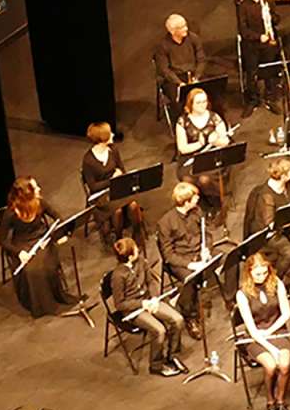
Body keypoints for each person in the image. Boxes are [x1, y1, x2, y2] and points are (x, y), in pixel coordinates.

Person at [0, 178, 83, 318]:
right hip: (22, 244)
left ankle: (55, 297)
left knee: (47, 265)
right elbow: (2, 241)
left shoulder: (40, 202)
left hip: (43, 239)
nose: (39, 189)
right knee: (32, 270)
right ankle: (41, 305)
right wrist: (19, 253)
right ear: (26, 195)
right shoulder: (11, 213)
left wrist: (58, 235)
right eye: (35, 188)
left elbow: (58, 219)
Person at [107, 238, 185, 377]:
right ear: (130, 257)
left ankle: (173, 355)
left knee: (178, 319)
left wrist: (154, 298)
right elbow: (119, 304)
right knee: (159, 330)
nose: (138, 249)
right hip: (133, 309)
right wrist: (142, 304)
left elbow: (151, 281)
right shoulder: (118, 276)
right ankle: (156, 364)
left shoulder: (141, 261)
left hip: (150, 300)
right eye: (135, 248)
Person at [236, 252, 290, 410]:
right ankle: (270, 400)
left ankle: (280, 400)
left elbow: (286, 313)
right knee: (270, 365)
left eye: (264, 273)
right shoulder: (242, 294)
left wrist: (270, 332)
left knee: (284, 365)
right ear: (249, 272)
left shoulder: (277, 283)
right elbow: (252, 329)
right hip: (256, 337)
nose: (262, 277)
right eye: (257, 274)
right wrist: (271, 348)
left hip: (277, 330)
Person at [156, 181, 213, 339]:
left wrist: (207, 249)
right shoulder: (165, 223)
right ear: (186, 202)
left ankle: (231, 299)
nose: (198, 199)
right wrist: (190, 264)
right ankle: (190, 316)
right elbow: (168, 256)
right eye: (195, 197)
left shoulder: (197, 211)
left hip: (199, 253)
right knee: (191, 279)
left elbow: (207, 235)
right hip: (181, 260)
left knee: (228, 258)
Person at [81, 121, 145, 246]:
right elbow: (93, 187)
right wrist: (111, 181)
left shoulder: (113, 150)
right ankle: (119, 238)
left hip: (118, 186)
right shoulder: (88, 160)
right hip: (102, 194)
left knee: (133, 205)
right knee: (117, 210)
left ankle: (137, 233)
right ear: (102, 138)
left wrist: (119, 178)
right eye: (109, 133)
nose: (113, 134)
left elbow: (122, 170)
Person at [243, 158, 290, 283]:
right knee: (289, 253)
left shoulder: (288, 187)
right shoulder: (267, 196)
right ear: (284, 176)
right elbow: (270, 224)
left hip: (284, 227)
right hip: (268, 233)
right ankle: (274, 279)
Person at [174, 87, 232, 216]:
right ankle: (202, 205)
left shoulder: (214, 117)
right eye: (198, 102)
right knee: (187, 179)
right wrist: (199, 144)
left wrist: (216, 141)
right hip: (190, 157)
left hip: (211, 157)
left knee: (204, 179)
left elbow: (225, 141)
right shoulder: (182, 121)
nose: (203, 105)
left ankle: (215, 204)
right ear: (191, 104)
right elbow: (182, 148)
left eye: (204, 101)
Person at [235, 0, 283, 113]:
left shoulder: (268, 1)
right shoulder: (243, 6)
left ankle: (270, 98)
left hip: (268, 44)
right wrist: (258, 37)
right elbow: (243, 30)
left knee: (269, 71)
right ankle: (253, 100)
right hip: (252, 45)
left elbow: (277, 20)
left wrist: (271, 16)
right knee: (252, 74)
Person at [155, 13, 207, 118]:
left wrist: (197, 77)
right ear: (173, 31)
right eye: (182, 27)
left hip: (193, 75)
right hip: (174, 79)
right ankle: (182, 122)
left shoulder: (193, 38)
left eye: (185, 25)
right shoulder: (163, 46)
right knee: (179, 101)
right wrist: (179, 83)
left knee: (212, 93)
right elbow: (164, 70)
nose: (186, 29)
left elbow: (201, 60)